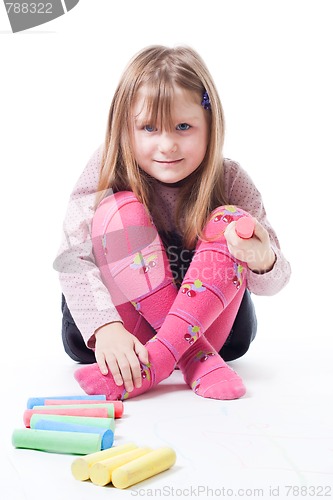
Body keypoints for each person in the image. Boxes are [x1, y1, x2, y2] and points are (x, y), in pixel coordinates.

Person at [54, 45, 291, 401]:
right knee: (120, 210)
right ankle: (195, 360)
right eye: (148, 128)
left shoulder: (230, 179)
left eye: (184, 127)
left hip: (213, 330)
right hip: (119, 339)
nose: (167, 145)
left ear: (211, 126)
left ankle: (164, 359)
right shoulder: (108, 167)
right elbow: (72, 256)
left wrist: (262, 258)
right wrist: (105, 327)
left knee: (231, 220)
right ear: (124, 128)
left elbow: (276, 281)